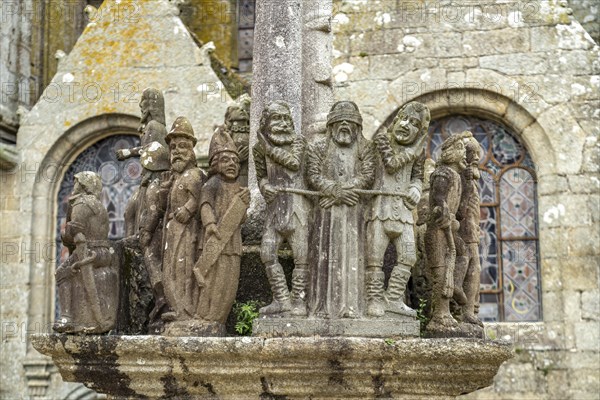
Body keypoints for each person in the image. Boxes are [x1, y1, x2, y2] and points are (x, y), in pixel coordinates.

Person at [306, 101, 375, 319]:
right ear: (331, 126)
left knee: (354, 257)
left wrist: (342, 192)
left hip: (355, 212)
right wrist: (336, 191)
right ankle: (322, 307)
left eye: (350, 122)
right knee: (324, 255)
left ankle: (352, 307)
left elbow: (368, 176)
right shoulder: (318, 148)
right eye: (339, 122)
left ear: (357, 127)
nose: (344, 126)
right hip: (325, 212)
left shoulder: (366, 148)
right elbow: (313, 176)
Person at [366, 102, 430, 317]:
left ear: (419, 131)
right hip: (378, 209)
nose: (406, 125)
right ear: (395, 120)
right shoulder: (382, 141)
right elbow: (392, 164)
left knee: (408, 257)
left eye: (414, 124)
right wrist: (413, 151)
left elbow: (417, 177)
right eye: (404, 118)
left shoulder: (418, 153)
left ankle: (392, 299)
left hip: (402, 213)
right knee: (374, 258)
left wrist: (415, 188)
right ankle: (373, 300)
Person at [253, 101, 311, 316]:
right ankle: (281, 300)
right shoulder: (258, 148)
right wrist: (264, 186)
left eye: (287, 119)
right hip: (275, 208)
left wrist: (269, 148)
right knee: (267, 253)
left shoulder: (298, 142)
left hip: (298, 207)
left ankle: (299, 301)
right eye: (278, 119)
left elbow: (294, 163)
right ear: (266, 123)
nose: (284, 124)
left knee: (302, 255)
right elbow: (261, 176)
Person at [194, 129, 250, 332]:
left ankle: (219, 316)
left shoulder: (238, 188)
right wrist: (209, 225)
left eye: (235, 161)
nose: (232, 165)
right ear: (215, 164)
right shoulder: (212, 184)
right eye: (226, 160)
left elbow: (241, 219)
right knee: (212, 280)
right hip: (214, 240)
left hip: (232, 243)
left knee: (229, 282)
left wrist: (243, 205)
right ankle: (205, 315)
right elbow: (205, 206)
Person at [54, 171, 117, 334]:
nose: (74, 186)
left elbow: (76, 233)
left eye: (77, 183)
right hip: (103, 252)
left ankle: (67, 318)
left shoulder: (81, 203)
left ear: (83, 186)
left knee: (61, 273)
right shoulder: (98, 205)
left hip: (89, 252)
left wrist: (65, 234)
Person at [161, 117, 206, 323]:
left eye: (182, 146)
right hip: (173, 230)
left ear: (192, 150)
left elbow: (200, 198)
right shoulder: (176, 178)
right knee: (170, 268)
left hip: (188, 231)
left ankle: (186, 309)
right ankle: (176, 306)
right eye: (173, 148)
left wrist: (188, 209)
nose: (177, 151)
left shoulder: (195, 174)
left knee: (184, 267)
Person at [425, 134, 468, 332]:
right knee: (441, 270)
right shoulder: (442, 173)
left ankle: (456, 285)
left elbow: (459, 210)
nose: (463, 153)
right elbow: (438, 196)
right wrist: (442, 211)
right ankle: (440, 314)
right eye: (459, 148)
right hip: (437, 230)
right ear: (448, 153)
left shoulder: (458, 177)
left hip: (449, 229)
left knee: (462, 254)